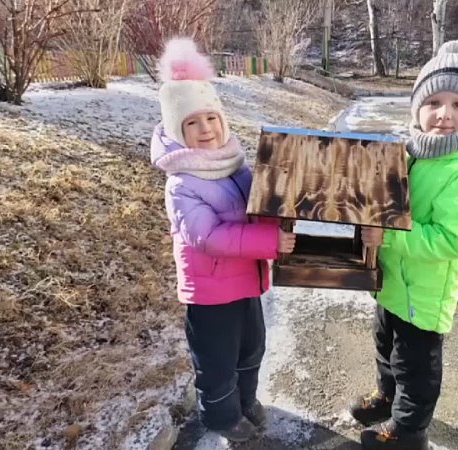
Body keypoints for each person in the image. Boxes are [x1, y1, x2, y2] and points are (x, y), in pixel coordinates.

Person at [351, 39, 458, 450]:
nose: (445, 114)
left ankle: (409, 432)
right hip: (392, 282)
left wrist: (389, 234)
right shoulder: (413, 152)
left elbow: (449, 240)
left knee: (417, 369)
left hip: (424, 294)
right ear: (417, 109)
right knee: (386, 347)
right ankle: (387, 396)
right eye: (435, 102)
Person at [150, 37, 296, 443]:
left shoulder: (234, 165)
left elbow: (259, 204)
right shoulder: (181, 183)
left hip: (247, 283)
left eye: (211, 118)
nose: (206, 129)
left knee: (251, 350)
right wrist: (269, 241)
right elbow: (207, 236)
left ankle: (246, 400)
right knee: (216, 363)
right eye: (192, 123)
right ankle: (222, 417)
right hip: (211, 294)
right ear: (178, 132)